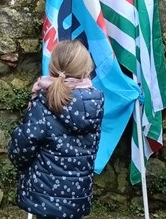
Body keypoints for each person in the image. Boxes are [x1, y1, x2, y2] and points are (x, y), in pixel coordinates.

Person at [8, 39, 104, 219]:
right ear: (86, 70)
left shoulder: (43, 103)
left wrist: (25, 166)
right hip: (77, 195)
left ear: (52, 67)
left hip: (44, 195)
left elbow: (20, 148)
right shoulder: (94, 103)